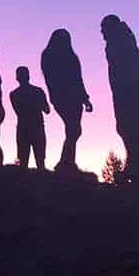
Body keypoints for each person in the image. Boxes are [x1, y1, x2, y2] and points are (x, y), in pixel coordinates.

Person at [100, 15, 139, 193]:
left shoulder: (125, 57)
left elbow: (135, 88)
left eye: (104, 30)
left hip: (137, 111)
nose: (102, 34)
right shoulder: (130, 57)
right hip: (135, 110)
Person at [40, 29, 93, 173]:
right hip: (65, 97)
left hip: (70, 98)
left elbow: (78, 78)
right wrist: (84, 98)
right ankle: (66, 163)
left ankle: (67, 162)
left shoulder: (61, 56)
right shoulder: (57, 56)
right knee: (74, 129)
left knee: (73, 130)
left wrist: (85, 99)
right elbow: (73, 79)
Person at [9, 66, 50, 170]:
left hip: (23, 128)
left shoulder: (14, 94)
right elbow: (47, 110)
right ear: (28, 76)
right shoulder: (38, 91)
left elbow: (19, 112)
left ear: (17, 78)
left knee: (23, 162)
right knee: (40, 162)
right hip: (36, 127)